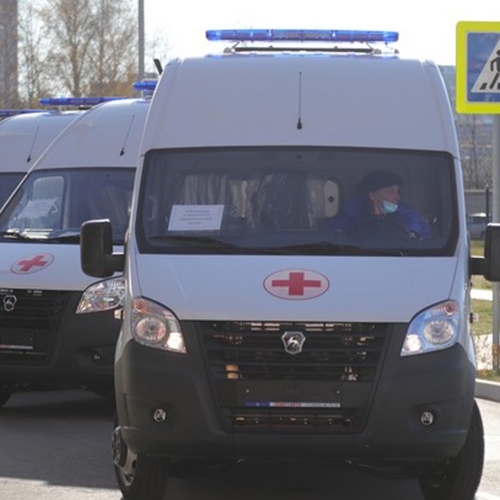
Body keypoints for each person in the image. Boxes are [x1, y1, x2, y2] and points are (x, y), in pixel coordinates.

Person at [331, 170, 431, 239]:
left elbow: (419, 234)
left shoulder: (406, 216)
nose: (397, 197)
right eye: (390, 191)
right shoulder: (350, 215)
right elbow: (335, 238)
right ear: (372, 195)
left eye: (397, 191)